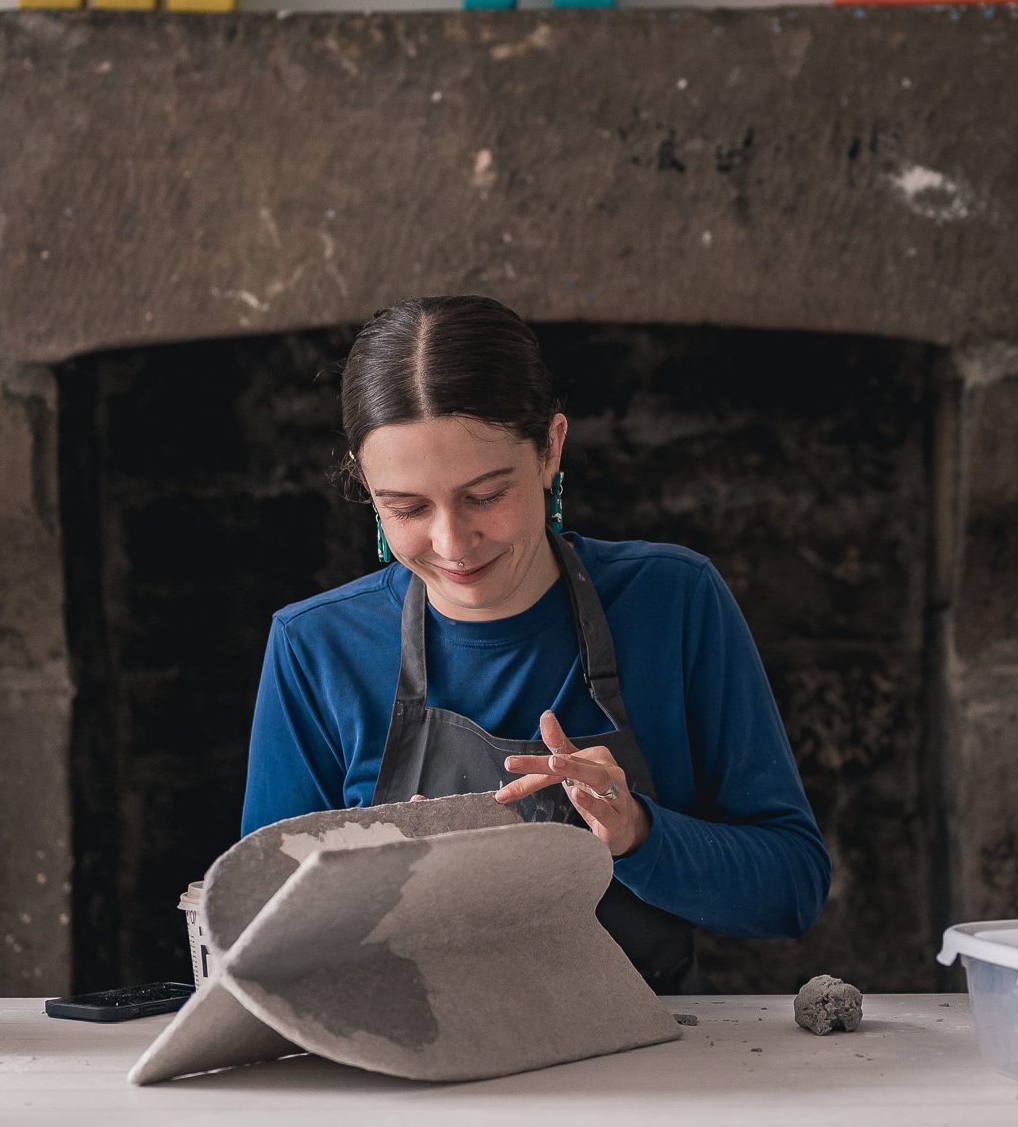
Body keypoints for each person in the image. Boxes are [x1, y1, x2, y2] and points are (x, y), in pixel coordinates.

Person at [241, 295, 830, 993]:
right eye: (406, 508)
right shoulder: (317, 648)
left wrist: (640, 834)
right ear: (367, 490)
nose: (453, 544)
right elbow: (257, 937)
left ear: (551, 448)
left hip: (650, 1070)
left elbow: (791, 889)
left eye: (486, 495)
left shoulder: (673, 600)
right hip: (411, 1083)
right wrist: (374, 886)